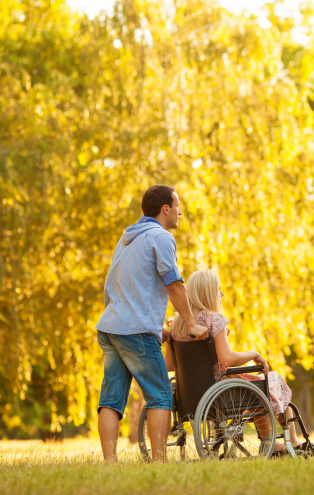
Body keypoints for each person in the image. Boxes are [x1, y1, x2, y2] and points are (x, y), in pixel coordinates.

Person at [95, 185, 209, 463]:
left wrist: (155, 326)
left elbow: (112, 288)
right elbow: (174, 284)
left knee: (111, 400)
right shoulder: (161, 237)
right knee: (160, 396)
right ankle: (159, 464)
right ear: (166, 209)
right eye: (177, 205)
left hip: (111, 327)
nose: (180, 211)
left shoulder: (126, 239)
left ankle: (110, 465)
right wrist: (191, 324)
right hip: (135, 330)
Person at [165, 269, 303, 454]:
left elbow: (170, 366)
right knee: (271, 380)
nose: (221, 294)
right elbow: (227, 359)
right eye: (218, 289)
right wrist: (253, 353)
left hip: (190, 394)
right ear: (207, 293)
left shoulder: (176, 325)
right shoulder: (214, 320)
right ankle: (290, 441)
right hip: (221, 390)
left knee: (258, 388)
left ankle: (271, 442)